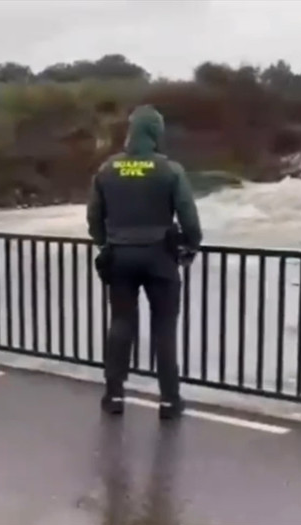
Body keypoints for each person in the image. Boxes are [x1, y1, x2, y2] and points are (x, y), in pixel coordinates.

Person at [86, 104, 202, 420]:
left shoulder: (107, 169)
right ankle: (168, 400)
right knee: (164, 327)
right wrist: (191, 244)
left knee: (121, 323)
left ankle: (113, 395)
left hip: (119, 255)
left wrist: (105, 241)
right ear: (155, 133)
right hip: (160, 257)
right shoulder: (170, 170)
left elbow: (94, 216)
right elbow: (189, 217)